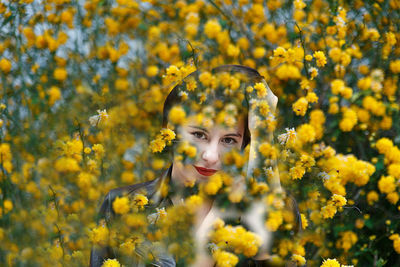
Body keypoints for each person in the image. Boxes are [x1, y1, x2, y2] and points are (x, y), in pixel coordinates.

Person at [90, 65, 300, 267]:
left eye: (228, 140)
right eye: (199, 135)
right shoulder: (120, 206)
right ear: (170, 131)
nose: (211, 156)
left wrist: (263, 131)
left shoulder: (276, 207)